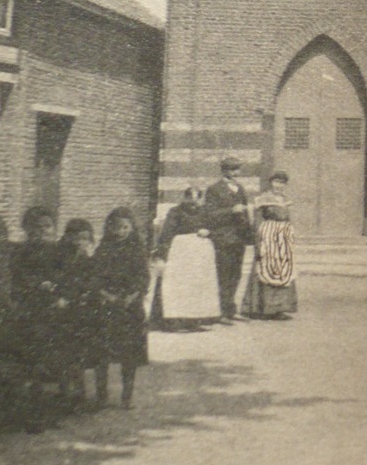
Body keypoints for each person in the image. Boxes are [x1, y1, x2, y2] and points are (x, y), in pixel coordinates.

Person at [4, 206, 63, 431]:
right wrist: (38, 285)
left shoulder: (56, 251)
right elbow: (17, 278)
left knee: (51, 363)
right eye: (36, 227)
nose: (42, 231)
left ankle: (49, 413)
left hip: (53, 311)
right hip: (30, 311)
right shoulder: (19, 252)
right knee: (32, 364)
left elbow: (64, 275)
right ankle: (31, 416)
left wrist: (58, 289)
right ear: (26, 229)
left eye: (47, 226)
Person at [92, 207, 151, 408]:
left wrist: (132, 296)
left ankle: (127, 396)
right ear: (110, 228)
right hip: (106, 306)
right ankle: (101, 395)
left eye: (126, 227)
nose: (122, 231)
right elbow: (95, 277)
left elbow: (143, 277)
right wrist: (106, 295)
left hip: (130, 307)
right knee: (102, 354)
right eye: (117, 227)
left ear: (132, 228)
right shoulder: (103, 249)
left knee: (129, 355)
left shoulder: (137, 250)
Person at [149, 186, 218, 326]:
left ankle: (193, 320)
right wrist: (162, 253)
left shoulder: (204, 212)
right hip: (180, 251)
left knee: (196, 284)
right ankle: (172, 320)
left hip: (199, 253)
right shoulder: (175, 212)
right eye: (190, 198)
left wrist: (208, 231)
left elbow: (214, 227)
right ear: (185, 198)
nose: (193, 201)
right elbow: (167, 232)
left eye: (196, 198)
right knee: (177, 284)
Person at [54, 218, 98, 407]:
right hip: (64, 310)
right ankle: (65, 393)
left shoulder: (86, 258)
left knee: (79, 355)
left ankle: (79, 395)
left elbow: (89, 280)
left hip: (80, 311)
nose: (81, 242)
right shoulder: (59, 255)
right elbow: (59, 279)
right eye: (78, 238)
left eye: (86, 239)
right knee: (65, 353)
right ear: (68, 237)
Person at [242, 172, 298, 319]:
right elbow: (258, 221)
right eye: (276, 182)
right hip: (268, 236)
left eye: (282, 183)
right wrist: (259, 241)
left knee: (283, 270)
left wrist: (289, 235)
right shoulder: (263, 199)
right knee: (265, 269)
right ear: (271, 182)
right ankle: (261, 308)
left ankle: (279, 308)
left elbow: (288, 219)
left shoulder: (285, 200)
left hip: (283, 238)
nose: (279, 185)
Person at [204, 156, 254, 321]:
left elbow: (245, 212)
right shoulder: (214, 189)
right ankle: (221, 312)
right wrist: (231, 211)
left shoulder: (240, 188)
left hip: (238, 239)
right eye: (233, 169)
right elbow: (210, 215)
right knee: (223, 274)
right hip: (223, 238)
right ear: (224, 170)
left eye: (237, 169)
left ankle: (231, 310)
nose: (236, 172)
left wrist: (249, 235)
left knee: (236, 274)